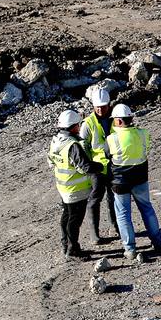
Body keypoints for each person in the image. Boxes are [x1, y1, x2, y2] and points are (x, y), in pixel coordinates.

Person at [105, 103, 161, 260]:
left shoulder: (112, 139)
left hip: (120, 183)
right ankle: (157, 241)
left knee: (123, 215)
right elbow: (145, 149)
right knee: (147, 209)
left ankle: (130, 249)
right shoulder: (143, 134)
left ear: (119, 121)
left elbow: (106, 155)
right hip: (140, 179)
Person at [47, 109, 97, 261]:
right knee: (74, 220)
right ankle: (73, 250)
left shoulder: (56, 140)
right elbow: (84, 167)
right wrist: (99, 166)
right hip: (76, 190)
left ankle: (66, 245)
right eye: (78, 125)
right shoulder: (72, 145)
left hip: (64, 188)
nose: (79, 127)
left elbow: (51, 162)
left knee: (67, 217)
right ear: (73, 126)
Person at [80, 84, 121, 246]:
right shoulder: (88, 123)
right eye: (97, 107)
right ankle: (94, 234)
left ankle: (115, 226)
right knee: (94, 200)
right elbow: (83, 146)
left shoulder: (115, 118)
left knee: (113, 198)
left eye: (103, 107)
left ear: (108, 105)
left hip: (113, 165)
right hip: (97, 169)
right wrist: (89, 167)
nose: (100, 110)